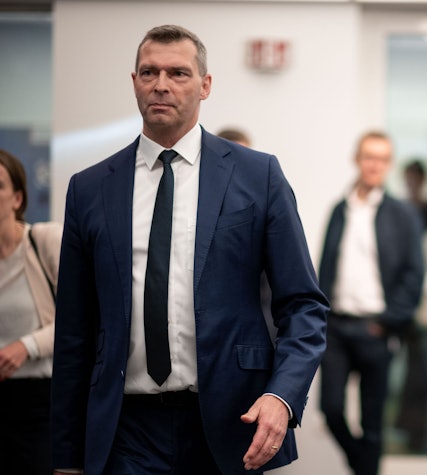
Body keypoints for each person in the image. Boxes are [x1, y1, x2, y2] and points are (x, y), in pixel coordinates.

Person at [50, 25, 328, 475]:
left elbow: (304, 305)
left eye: (178, 73)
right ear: (134, 82)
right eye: (149, 72)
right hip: (125, 427)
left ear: (205, 85)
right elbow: (74, 333)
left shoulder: (259, 177)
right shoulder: (90, 189)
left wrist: (282, 396)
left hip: (232, 420)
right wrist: (65, 457)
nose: (161, 84)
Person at [318, 130, 426, 475]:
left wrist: (389, 321)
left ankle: (365, 466)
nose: (374, 164)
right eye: (369, 157)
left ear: (389, 165)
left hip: (377, 329)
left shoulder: (402, 214)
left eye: (381, 159)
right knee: (330, 409)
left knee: (373, 423)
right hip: (335, 327)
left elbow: (414, 274)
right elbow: (325, 266)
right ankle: (363, 466)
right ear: (357, 160)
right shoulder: (339, 209)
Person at [0, 149, 62, 475]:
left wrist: (26, 345)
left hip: (39, 401)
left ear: (17, 198)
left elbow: (80, 319)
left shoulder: (44, 241)